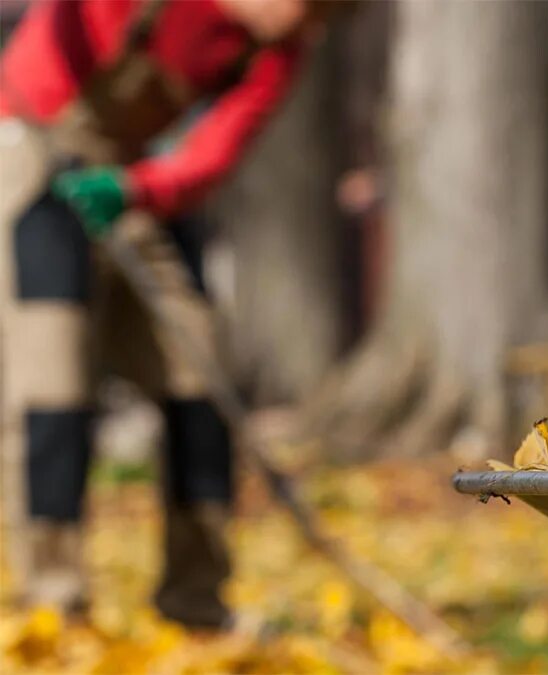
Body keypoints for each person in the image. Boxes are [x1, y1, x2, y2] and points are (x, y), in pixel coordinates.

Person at [0, 0, 328, 628]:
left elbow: (215, 149)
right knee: (53, 389)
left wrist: (137, 189)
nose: (299, 23)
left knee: (200, 379)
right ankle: (53, 602)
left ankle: (197, 601)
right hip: (33, 149)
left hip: (127, 178)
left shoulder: (276, 48)